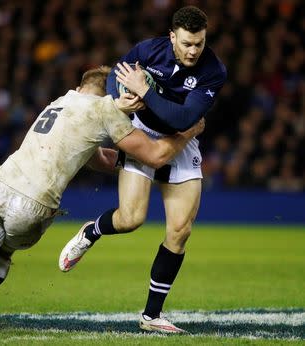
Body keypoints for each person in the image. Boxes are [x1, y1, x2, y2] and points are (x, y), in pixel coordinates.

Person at [0, 66, 204, 333]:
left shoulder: (59, 102)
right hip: (36, 209)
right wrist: (185, 132)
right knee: (0, 261)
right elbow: (150, 155)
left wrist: (128, 160)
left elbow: (96, 156)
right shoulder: (106, 110)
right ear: (110, 90)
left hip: (2, 187)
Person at [59, 6, 226, 334]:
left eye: (200, 43)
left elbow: (183, 120)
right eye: (187, 43)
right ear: (172, 37)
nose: (194, 50)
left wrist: (145, 91)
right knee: (131, 219)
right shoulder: (149, 50)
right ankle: (91, 231)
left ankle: (151, 316)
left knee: (180, 230)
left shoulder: (213, 71)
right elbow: (113, 75)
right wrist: (119, 100)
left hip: (181, 137)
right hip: (141, 132)